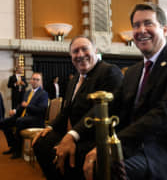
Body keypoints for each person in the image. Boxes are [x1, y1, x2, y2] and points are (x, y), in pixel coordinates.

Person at [78, 2, 167, 180]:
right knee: (75, 153)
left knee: (105, 168)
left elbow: (166, 114)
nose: (141, 30)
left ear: (165, 29)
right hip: (134, 143)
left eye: (148, 23)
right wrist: (73, 134)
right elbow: (112, 105)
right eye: (136, 25)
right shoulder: (133, 71)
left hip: (165, 152)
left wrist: (112, 145)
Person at [32, 35, 123, 180]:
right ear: (71, 56)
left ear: (95, 51)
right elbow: (66, 110)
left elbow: (101, 111)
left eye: (85, 49)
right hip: (75, 132)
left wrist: (72, 135)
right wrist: (51, 127)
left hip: (96, 136)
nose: (80, 54)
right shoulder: (75, 79)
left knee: (69, 155)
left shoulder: (109, 71)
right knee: (41, 142)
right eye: (75, 51)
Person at [0, 72, 48, 159]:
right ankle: (13, 146)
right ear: (30, 81)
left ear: (40, 82)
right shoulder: (28, 92)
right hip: (24, 116)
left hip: (36, 119)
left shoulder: (43, 93)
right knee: (3, 122)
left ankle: (18, 151)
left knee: (20, 121)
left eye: (37, 80)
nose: (34, 81)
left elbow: (42, 110)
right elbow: (21, 105)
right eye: (33, 79)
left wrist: (28, 106)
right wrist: (14, 111)